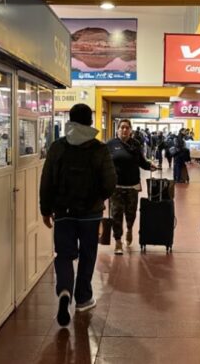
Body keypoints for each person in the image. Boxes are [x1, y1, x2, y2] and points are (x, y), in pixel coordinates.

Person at [40, 104, 117, 326]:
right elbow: (110, 183)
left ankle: (65, 290)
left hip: (63, 212)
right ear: (90, 122)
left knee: (64, 254)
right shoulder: (99, 149)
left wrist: (46, 210)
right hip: (91, 214)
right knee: (87, 254)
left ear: (70, 121)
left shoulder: (57, 147)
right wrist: (98, 199)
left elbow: (47, 181)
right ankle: (83, 298)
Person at [107, 119, 158, 254]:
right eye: (122, 127)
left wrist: (149, 166)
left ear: (130, 130)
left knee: (131, 214)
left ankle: (129, 229)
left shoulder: (135, 144)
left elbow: (141, 161)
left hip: (132, 186)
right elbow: (104, 164)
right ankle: (118, 241)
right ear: (118, 129)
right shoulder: (110, 145)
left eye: (127, 128)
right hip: (116, 186)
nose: (124, 130)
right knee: (116, 214)